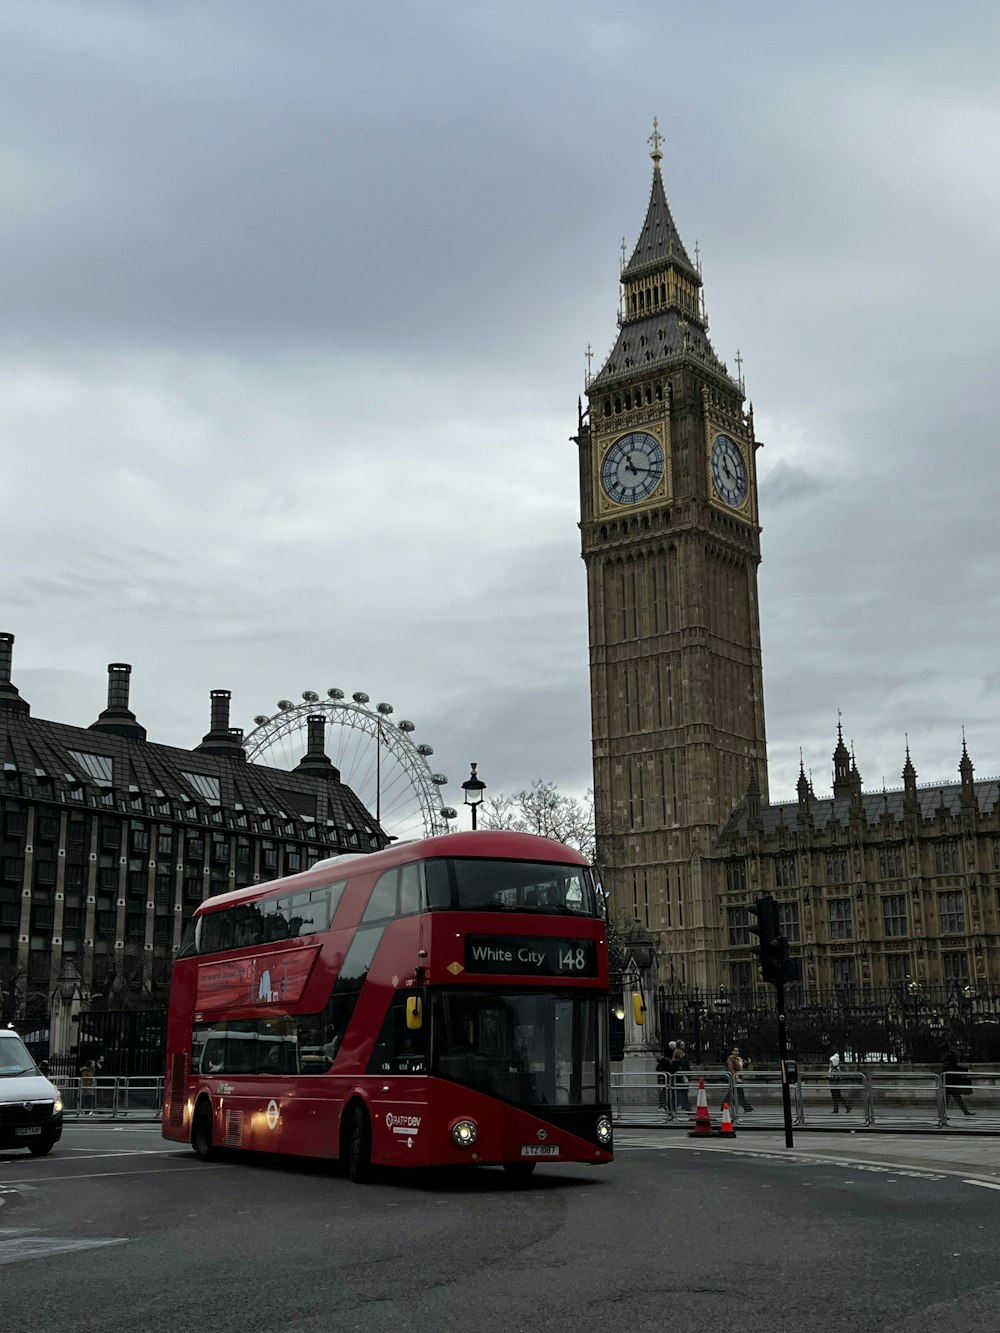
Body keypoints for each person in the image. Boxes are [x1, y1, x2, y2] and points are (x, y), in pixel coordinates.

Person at [942, 1049, 974, 1117]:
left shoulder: (949, 1063)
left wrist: (964, 1070)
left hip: (950, 1084)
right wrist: (964, 1071)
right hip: (948, 1084)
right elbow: (954, 1070)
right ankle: (943, 1115)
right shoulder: (948, 1064)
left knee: (956, 1099)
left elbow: (956, 1068)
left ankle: (965, 1112)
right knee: (948, 1100)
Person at [725, 1046, 753, 1112]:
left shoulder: (739, 1059)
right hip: (735, 1078)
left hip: (739, 1078)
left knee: (731, 1093)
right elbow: (731, 1068)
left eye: (737, 1051)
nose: (736, 1052)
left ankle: (723, 1106)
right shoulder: (731, 1058)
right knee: (740, 1094)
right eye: (735, 1051)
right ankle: (747, 1108)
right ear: (732, 1052)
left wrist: (747, 1063)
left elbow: (742, 1067)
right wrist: (736, 1077)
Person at [670, 1040, 691, 1113]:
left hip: (682, 1079)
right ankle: (686, 1108)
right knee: (678, 1095)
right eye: (682, 1045)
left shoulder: (683, 1059)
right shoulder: (676, 1062)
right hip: (679, 1080)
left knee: (680, 1095)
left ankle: (684, 1107)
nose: (683, 1054)